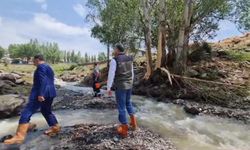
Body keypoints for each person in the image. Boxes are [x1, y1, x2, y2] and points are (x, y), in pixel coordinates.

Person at [4, 54, 60, 145]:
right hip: (51, 92)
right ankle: (55, 128)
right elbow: (49, 80)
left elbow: (42, 80)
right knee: (46, 111)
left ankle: (19, 137)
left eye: (33, 60)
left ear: (37, 60)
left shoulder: (40, 67)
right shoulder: (49, 67)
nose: (32, 62)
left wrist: (41, 94)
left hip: (41, 93)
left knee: (27, 111)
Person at [107, 44, 137, 138]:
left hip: (120, 86)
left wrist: (108, 88)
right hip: (129, 85)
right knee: (128, 103)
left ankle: (124, 130)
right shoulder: (129, 58)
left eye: (114, 49)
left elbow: (111, 75)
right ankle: (134, 124)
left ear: (117, 50)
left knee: (121, 107)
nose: (113, 50)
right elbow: (132, 73)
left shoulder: (114, 60)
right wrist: (130, 83)